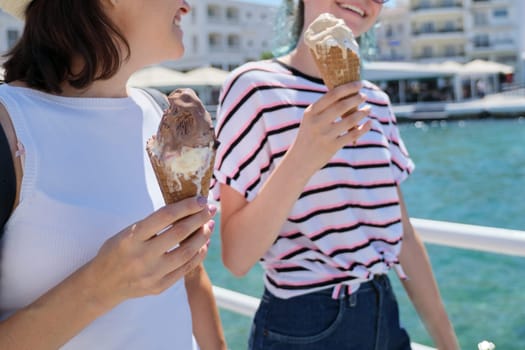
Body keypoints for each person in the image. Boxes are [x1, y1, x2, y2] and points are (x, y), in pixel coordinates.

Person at [212, 0, 459, 349]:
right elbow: (236, 257)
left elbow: (402, 235)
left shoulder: (376, 103)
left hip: (384, 312)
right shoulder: (254, 87)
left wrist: (448, 342)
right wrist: (303, 157)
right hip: (304, 324)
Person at [0, 1, 226, 349]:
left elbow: (189, 276)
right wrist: (99, 287)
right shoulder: (9, 127)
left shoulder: (158, 112)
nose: (187, 4)